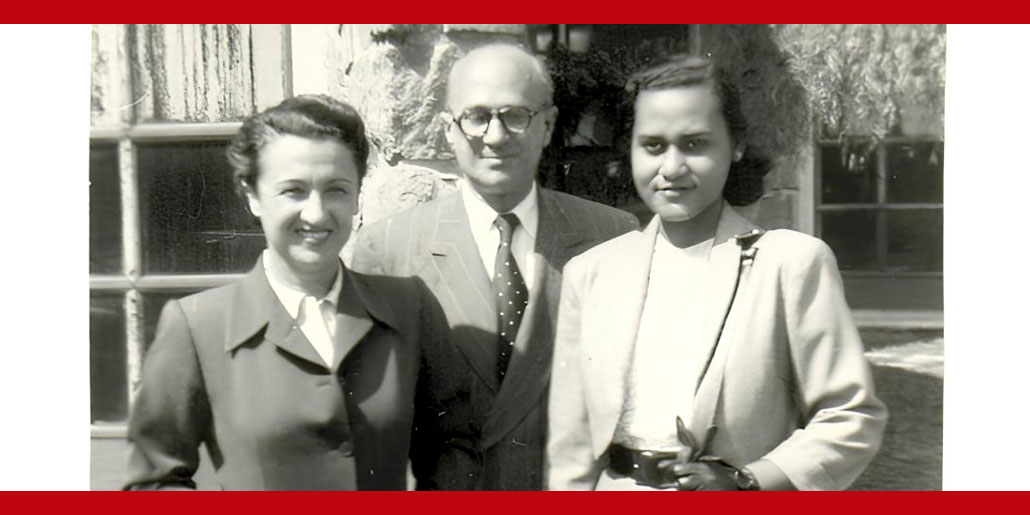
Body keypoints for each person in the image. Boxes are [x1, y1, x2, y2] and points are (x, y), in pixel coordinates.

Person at [546, 55, 887, 491]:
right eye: (652, 145)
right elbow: (570, 446)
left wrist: (750, 482)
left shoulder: (789, 264)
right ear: (629, 149)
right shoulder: (591, 274)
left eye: (694, 144)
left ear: (736, 145)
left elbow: (851, 416)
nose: (671, 168)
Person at [351, 42, 639, 490]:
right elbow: (372, 428)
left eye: (516, 115)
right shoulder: (388, 250)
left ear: (548, 126)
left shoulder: (613, 237)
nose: (496, 135)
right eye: (477, 116)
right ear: (448, 129)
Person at [124, 95, 444, 490]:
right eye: (293, 191)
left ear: (358, 192)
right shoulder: (197, 326)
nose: (316, 213)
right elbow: (153, 483)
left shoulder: (408, 307)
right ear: (253, 195)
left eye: (336, 190)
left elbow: (448, 455)